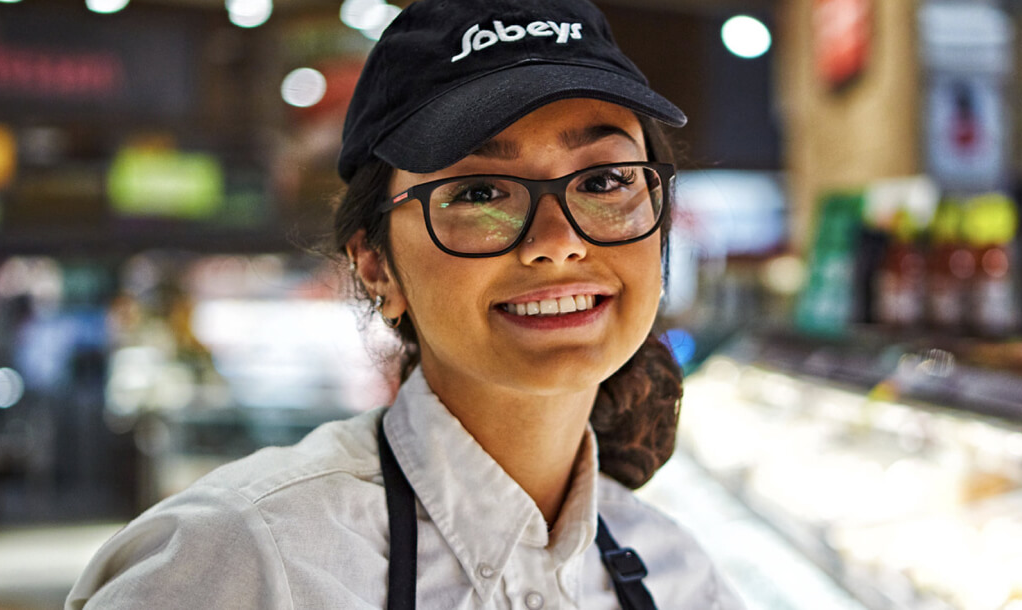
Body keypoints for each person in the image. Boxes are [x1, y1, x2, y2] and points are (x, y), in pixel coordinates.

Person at [67, 0, 746, 607]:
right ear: (376, 266)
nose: (557, 242)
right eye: (479, 193)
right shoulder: (246, 559)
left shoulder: (681, 578)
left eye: (603, 180)